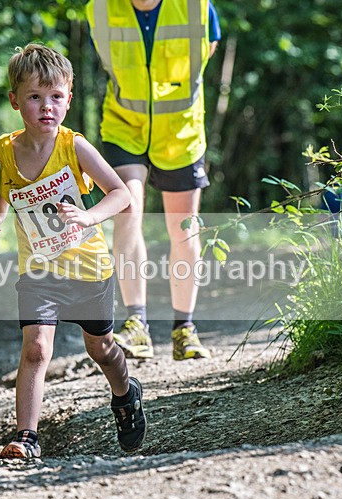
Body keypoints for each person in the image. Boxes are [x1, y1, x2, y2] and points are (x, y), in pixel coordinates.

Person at [0, 43, 147, 459]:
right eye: (35, 97)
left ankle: (126, 393)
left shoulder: (75, 148)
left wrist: (90, 218)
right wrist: (0, 213)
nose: (46, 106)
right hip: (38, 268)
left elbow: (121, 193)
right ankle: (27, 438)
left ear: (68, 99)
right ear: (15, 101)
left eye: (56, 97)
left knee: (101, 350)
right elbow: (10, 185)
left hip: (88, 267)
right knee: (36, 349)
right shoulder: (6, 148)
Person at [85, 0, 222, 360]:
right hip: (124, 128)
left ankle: (184, 330)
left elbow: (209, 47)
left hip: (180, 133)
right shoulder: (99, 9)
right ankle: (137, 324)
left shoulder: (197, 7)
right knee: (127, 208)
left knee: (184, 229)